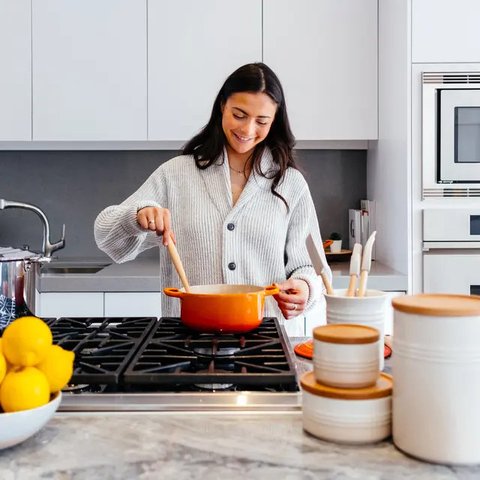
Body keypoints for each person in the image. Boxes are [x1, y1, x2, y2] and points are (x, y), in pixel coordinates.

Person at [94, 62, 331, 335]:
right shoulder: (177, 174)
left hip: (263, 344)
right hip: (185, 342)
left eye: (262, 121)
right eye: (239, 115)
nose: (248, 129)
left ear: (275, 120)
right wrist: (137, 216)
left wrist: (304, 288)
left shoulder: (290, 183)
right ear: (222, 106)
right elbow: (106, 237)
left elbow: (310, 266)